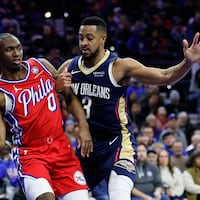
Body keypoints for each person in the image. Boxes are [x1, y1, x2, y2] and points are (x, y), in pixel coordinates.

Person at [59, 16, 200, 200]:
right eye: (80, 38)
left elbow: (165, 76)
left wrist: (188, 63)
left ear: (103, 38)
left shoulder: (118, 66)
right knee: (68, 197)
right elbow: (57, 91)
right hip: (88, 146)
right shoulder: (70, 67)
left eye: (89, 38)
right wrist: (78, 120)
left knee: (119, 195)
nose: (83, 43)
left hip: (118, 142)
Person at [0, 33, 93, 200]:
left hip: (61, 147)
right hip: (31, 154)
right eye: (9, 49)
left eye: (19, 48)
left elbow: (69, 96)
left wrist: (83, 126)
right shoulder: (2, 91)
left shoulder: (40, 65)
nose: (16, 53)